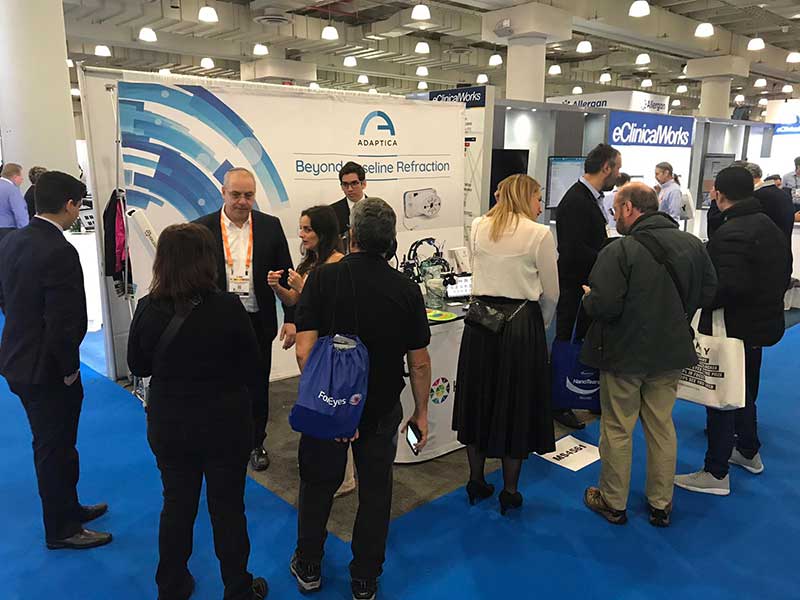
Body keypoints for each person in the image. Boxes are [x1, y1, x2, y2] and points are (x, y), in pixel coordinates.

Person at [291, 198, 431, 600]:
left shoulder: (321, 279)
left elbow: (304, 351)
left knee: (317, 486)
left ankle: (309, 566)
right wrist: (421, 412)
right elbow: (419, 362)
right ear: (391, 240)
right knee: (375, 492)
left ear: (351, 235)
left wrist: (331, 404)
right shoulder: (406, 290)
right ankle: (365, 577)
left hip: (327, 409)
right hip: (381, 409)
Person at [127, 223, 269, 600]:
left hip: (171, 424)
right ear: (207, 260)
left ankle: (171, 586)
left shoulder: (148, 308)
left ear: (163, 261)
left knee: (176, 505)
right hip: (225, 423)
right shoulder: (229, 307)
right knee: (228, 508)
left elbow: (137, 365)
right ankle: (238, 588)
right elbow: (253, 367)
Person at [580, 183, 717, 527]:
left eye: (616, 210)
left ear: (629, 208)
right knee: (661, 425)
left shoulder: (619, 250)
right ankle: (660, 503)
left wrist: (588, 297)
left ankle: (613, 501)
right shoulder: (692, 245)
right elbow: (709, 292)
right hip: (670, 351)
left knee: (617, 427)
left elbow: (604, 305)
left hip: (623, 354)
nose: (614, 216)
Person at [0, 171, 111, 550]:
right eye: (78, 205)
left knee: (55, 445)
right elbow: (65, 321)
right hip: (47, 369)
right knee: (54, 448)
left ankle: (69, 508)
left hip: (18, 358)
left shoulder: (12, 241)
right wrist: (68, 369)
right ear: (69, 205)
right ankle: (62, 529)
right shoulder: (59, 250)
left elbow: (7, 298)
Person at [675, 166, 790, 496]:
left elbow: (724, 288)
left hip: (734, 327)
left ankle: (716, 472)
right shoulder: (767, 225)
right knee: (744, 391)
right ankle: (748, 451)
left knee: (721, 397)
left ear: (718, 194)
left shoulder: (732, 233)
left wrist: (696, 298)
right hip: (760, 324)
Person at [453, 174, 558, 515]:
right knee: (517, 405)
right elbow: (552, 293)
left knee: (477, 399)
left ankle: (475, 480)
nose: (540, 206)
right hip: (521, 325)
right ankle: (510, 492)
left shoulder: (478, 226)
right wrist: (538, 324)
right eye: (538, 198)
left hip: (480, 325)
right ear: (526, 197)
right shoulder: (539, 234)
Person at [194, 167, 296, 472]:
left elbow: (287, 274)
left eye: (248, 195)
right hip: (216, 323)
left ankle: (255, 442)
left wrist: (292, 318)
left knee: (257, 385)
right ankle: (220, 440)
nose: (242, 201)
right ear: (223, 193)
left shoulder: (270, 226)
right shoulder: (201, 229)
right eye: (236, 194)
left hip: (257, 320)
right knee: (217, 384)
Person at [266, 205, 354, 498]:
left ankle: (345, 477)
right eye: (301, 228)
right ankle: (327, 470)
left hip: (329, 350)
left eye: (308, 229)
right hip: (311, 350)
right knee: (319, 410)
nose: (302, 235)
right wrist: (278, 288)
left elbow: (332, 308)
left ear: (323, 232)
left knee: (336, 409)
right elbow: (295, 302)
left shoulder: (338, 264)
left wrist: (304, 288)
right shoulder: (309, 262)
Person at [554, 143, 622, 430]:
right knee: (567, 342)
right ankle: (560, 402)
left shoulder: (591, 198)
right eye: (617, 168)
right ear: (606, 168)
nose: (619, 174)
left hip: (588, 285)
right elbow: (572, 250)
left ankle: (586, 395)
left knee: (587, 341)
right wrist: (608, 259)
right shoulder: (576, 201)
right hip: (575, 288)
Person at [331, 161, 367, 244]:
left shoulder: (377, 210)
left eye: (354, 183)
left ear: (363, 184)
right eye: (345, 184)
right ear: (341, 186)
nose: (349, 189)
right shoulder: (332, 212)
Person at [0, 162, 30, 241]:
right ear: (15, 176)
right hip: (7, 231)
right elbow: (20, 213)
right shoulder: (12, 190)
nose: (22, 179)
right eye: (21, 176)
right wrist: (26, 233)